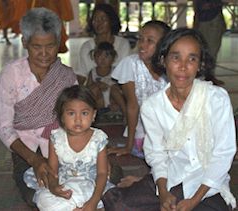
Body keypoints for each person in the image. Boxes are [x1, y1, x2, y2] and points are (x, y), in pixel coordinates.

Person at [102, 28, 237, 211]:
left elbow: (223, 154)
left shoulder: (216, 99)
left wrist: (194, 201)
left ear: (200, 64)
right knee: (117, 203)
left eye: (192, 58)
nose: (183, 66)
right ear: (163, 60)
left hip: (207, 185)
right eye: (175, 57)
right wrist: (163, 192)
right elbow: (157, 155)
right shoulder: (153, 106)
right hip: (171, 178)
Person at [0, 7, 78, 209]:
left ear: (58, 43)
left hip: (63, 149)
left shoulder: (66, 76)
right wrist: (35, 160)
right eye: (36, 47)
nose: (44, 54)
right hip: (27, 152)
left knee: (92, 180)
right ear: (25, 43)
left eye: (50, 46)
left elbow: (76, 121)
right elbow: (3, 127)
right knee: (35, 193)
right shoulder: (11, 75)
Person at [24, 85, 114, 210]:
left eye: (84, 113)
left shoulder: (98, 138)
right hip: (65, 183)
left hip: (91, 185)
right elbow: (53, 171)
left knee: (106, 196)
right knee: (43, 198)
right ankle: (76, 207)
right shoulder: (56, 138)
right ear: (62, 117)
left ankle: (78, 206)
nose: (78, 119)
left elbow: (102, 173)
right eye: (71, 113)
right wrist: (54, 187)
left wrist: (94, 201)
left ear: (93, 115)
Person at [107, 20, 170, 159]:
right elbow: (132, 106)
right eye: (140, 39)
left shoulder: (172, 66)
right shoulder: (131, 64)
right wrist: (128, 146)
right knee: (147, 150)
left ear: (164, 45)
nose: (142, 44)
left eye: (150, 41)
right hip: (144, 127)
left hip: (170, 126)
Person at [77, 3, 131, 85]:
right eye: (95, 19)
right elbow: (82, 74)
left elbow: (125, 75)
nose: (99, 23)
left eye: (103, 19)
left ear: (111, 21)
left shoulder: (123, 45)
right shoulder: (86, 47)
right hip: (94, 91)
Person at [87, 41, 126, 118]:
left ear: (113, 59)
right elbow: (87, 89)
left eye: (107, 56)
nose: (103, 59)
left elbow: (123, 88)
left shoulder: (115, 71)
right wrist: (97, 85)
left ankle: (125, 112)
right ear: (94, 57)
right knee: (93, 89)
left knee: (114, 89)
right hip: (100, 102)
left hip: (113, 101)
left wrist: (115, 101)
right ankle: (92, 112)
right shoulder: (92, 72)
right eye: (99, 56)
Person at [193, 0, 226, 85]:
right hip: (204, 18)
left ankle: (209, 76)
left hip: (212, 17)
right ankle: (205, 75)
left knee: (212, 50)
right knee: (202, 49)